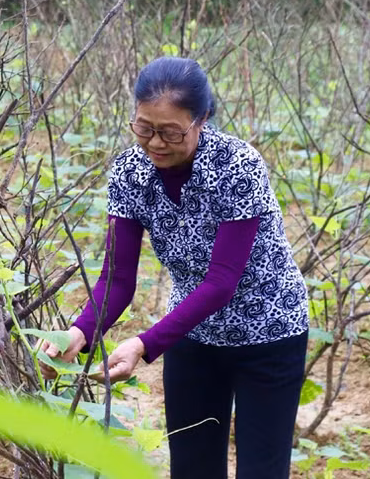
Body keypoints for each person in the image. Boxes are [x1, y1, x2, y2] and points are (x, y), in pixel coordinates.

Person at [40, 56, 309, 479]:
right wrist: (81, 331)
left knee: (262, 470)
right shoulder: (130, 172)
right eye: (144, 128)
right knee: (193, 468)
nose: (155, 143)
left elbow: (222, 281)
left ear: (201, 118)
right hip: (192, 333)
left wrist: (144, 344)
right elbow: (118, 277)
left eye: (170, 132)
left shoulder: (238, 167)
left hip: (268, 332)